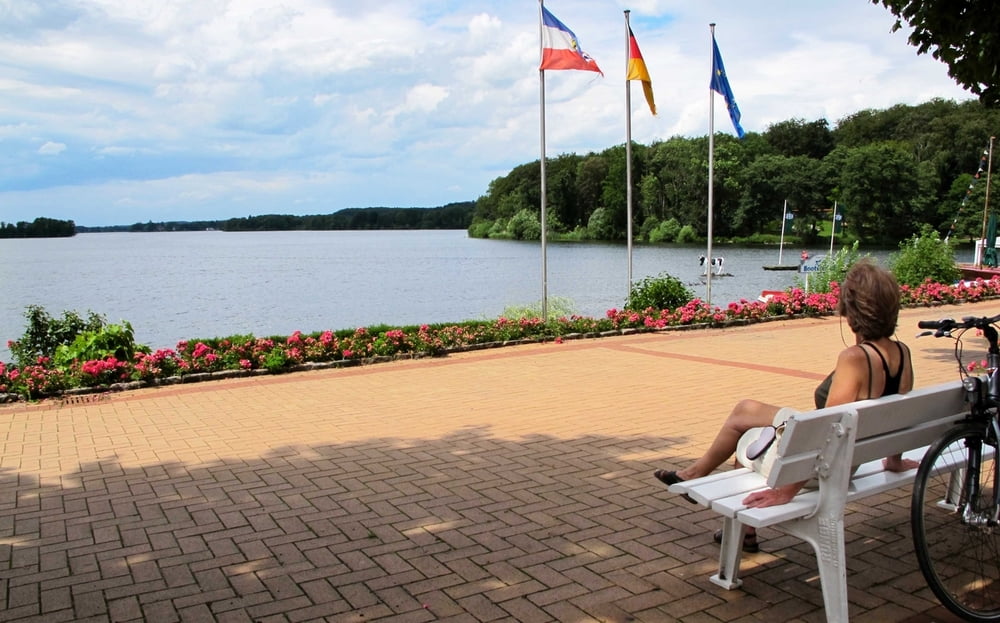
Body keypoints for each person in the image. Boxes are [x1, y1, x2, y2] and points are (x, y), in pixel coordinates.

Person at [653, 258, 917, 551]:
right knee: (746, 410)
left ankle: (740, 529)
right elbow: (898, 416)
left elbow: (827, 434)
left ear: (852, 310)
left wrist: (786, 491)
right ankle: (696, 476)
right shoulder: (901, 354)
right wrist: (894, 461)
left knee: (747, 438)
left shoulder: (854, 359)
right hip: (851, 458)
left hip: (828, 469)